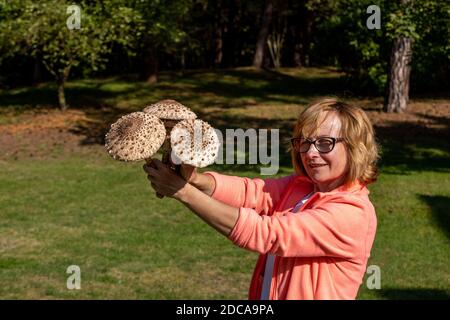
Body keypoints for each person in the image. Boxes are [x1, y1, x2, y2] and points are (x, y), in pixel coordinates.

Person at [143, 98, 379, 300]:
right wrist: (196, 180)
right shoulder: (303, 186)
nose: (310, 153)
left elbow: (268, 234)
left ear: (355, 148)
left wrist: (183, 191)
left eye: (325, 143)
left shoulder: (352, 213)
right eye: (304, 142)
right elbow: (252, 192)